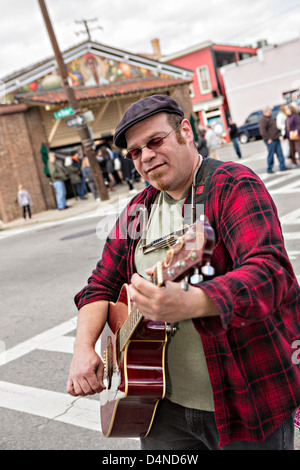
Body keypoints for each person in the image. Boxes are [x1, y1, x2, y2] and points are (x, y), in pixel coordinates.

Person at [67, 94, 300, 450]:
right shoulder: (138, 210)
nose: (145, 156)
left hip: (245, 402)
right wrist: (84, 348)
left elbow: (270, 274)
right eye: (134, 152)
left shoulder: (232, 185)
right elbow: (100, 284)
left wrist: (193, 302)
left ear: (185, 132)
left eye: (154, 141)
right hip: (158, 408)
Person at [258, 106, 288, 173]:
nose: (271, 111)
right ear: (266, 111)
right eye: (269, 110)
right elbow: (262, 131)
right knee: (271, 154)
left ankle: (282, 166)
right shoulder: (263, 119)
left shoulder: (270, 117)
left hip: (276, 138)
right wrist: (268, 138)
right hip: (270, 140)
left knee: (280, 153)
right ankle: (269, 168)